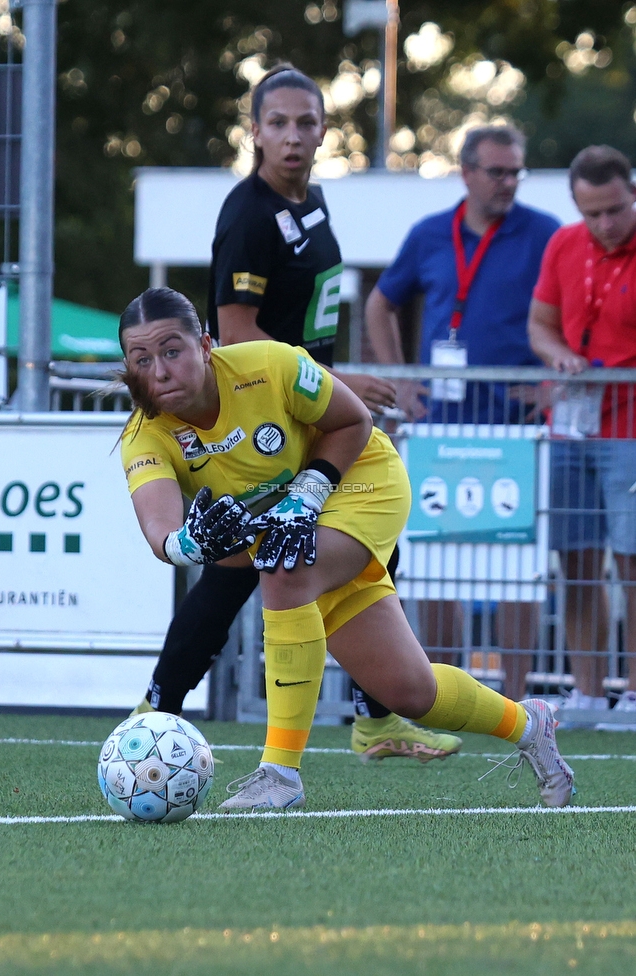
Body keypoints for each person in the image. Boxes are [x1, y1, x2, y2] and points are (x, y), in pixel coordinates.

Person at [118, 285, 574, 812]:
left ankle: (279, 774)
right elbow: (161, 530)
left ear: (205, 344)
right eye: (141, 359)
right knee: (409, 692)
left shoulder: (270, 363)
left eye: (172, 351)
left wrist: (306, 498)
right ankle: (529, 724)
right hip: (300, 522)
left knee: (283, 568)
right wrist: (186, 544)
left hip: (362, 480)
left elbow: (355, 421)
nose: (159, 371)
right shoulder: (143, 434)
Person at [132, 63, 462, 764]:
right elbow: (237, 334)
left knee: (363, 551)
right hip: (263, 416)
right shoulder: (249, 215)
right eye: (276, 123)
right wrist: (342, 381)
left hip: (307, 411)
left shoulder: (311, 205)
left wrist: (335, 399)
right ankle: (157, 708)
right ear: (253, 132)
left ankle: (377, 715)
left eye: (305, 123)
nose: (291, 136)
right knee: (237, 566)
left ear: (323, 131)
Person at [365, 125, 560, 700]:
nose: (508, 183)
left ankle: (520, 697)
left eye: (515, 172)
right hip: (441, 428)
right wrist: (401, 384)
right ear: (467, 172)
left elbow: (567, 317)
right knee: (438, 561)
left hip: (519, 429)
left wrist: (552, 385)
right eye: (497, 172)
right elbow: (380, 303)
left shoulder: (546, 234)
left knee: (517, 567)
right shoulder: (429, 235)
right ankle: (446, 690)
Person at [528, 144, 636, 727]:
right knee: (577, 559)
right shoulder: (563, 244)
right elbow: (540, 326)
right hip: (570, 426)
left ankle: (635, 692)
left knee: (634, 559)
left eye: (615, 210)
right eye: (592, 212)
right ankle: (589, 690)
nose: (605, 223)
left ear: (633, 193)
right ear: (576, 204)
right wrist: (562, 357)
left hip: (632, 428)